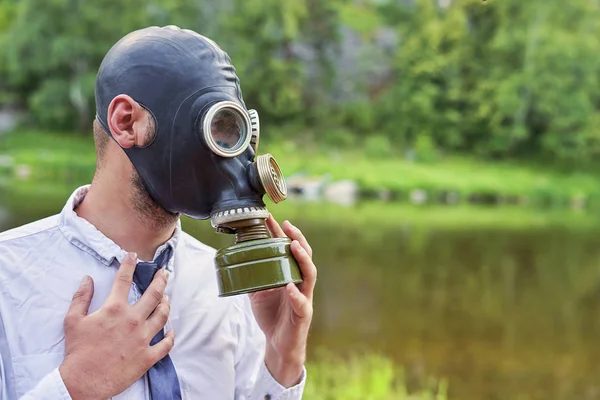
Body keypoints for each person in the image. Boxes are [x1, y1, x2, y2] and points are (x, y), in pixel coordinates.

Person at [0, 26, 316, 399]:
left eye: (237, 132)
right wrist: (75, 387)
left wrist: (283, 357)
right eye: (216, 128)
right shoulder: (8, 279)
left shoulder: (232, 291)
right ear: (125, 122)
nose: (233, 157)